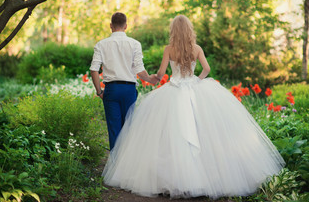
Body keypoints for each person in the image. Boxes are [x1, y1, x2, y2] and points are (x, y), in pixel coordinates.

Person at [102, 15, 285, 199]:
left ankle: (173, 177)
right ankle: (202, 176)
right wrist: (196, 81)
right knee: (201, 130)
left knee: (171, 132)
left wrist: (155, 78)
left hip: (173, 90)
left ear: (173, 31)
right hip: (192, 88)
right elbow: (207, 69)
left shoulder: (169, 49)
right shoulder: (196, 49)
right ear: (189, 30)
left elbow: (161, 72)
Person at [90, 12, 158, 150]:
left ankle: (115, 165)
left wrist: (99, 91)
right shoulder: (135, 44)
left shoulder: (101, 45)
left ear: (111, 26)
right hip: (129, 90)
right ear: (126, 26)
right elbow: (140, 70)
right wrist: (150, 79)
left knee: (114, 130)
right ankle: (128, 167)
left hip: (111, 90)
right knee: (129, 129)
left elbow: (94, 70)